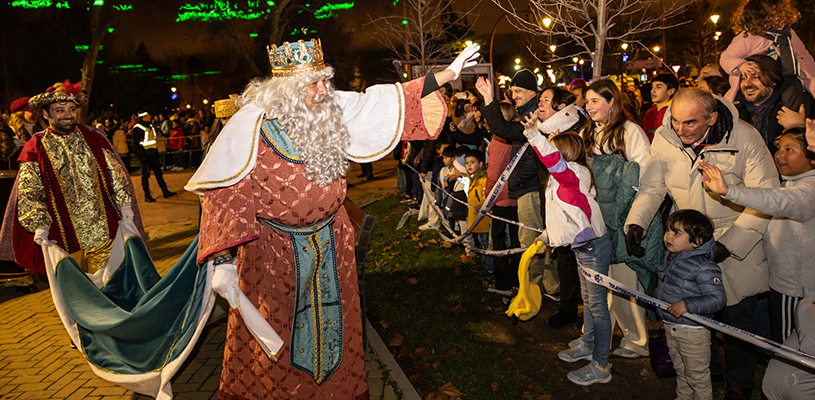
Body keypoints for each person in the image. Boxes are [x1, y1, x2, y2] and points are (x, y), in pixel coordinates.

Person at [185, 39, 480, 399]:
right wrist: (221, 261)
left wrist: (448, 74)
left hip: (331, 247)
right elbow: (225, 192)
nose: (324, 90)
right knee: (279, 339)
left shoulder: (330, 111)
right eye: (313, 83)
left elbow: (389, 100)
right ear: (287, 91)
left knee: (336, 331)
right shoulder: (251, 130)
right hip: (273, 256)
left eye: (325, 80)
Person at [626, 88, 779, 399]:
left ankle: (739, 382)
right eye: (676, 120)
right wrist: (636, 222)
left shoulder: (744, 138)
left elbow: (766, 196)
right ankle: (708, 370)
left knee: (737, 320)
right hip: (689, 242)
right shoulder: (666, 137)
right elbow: (653, 187)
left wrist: (731, 244)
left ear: (711, 118)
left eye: (690, 123)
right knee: (693, 314)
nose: (680, 129)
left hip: (738, 238)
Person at [699, 127, 815, 345]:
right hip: (784, 283)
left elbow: (779, 201)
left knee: (791, 350)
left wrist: (729, 191)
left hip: (796, 289)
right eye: (779, 147)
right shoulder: (792, 182)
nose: (779, 154)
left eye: (790, 149)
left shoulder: (809, 190)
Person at [9, 80, 137, 275]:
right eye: (60, 110)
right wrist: (39, 225)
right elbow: (29, 191)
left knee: (112, 288)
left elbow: (116, 176)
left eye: (71, 109)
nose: (68, 114)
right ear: (46, 114)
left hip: (102, 233)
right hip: (62, 241)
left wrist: (125, 208)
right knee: (78, 297)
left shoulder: (94, 137)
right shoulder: (35, 147)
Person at [521, 112, 612, 386]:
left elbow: (553, 160)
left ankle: (601, 365)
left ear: (565, 153)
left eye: (555, 148)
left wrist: (534, 134)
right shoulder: (565, 179)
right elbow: (567, 216)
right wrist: (546, 235)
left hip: (592, 247)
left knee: (598, 307)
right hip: (583, 246)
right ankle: (588, 343)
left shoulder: (572, 173)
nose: (550, 156)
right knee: (589, 301)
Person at [580, 79, 654, 359]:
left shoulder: (629, 131)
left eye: (595, 100)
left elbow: (643, 172)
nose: (589, 106)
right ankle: (601, 335)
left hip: (622, 217)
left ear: (612, 101)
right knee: (599, 280)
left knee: (624, 280)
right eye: (587, 101)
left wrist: (633, 216)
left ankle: (637, 339)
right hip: (596, 216)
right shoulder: (588, 132)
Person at [476, 71, 561, 301]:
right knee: (540, 240)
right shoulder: (528, 112)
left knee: (530, 244)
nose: (514, 96)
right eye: (512, 91)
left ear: (532, 93)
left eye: (518, 91)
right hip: (530, 188)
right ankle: (548, 288)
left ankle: (532, 293)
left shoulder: (533, 116)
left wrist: (518, 179)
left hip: (531, 190)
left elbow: (505, 132)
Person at [657, 209, 727, 400]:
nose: (668, 236)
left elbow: (718, 299)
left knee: (698, 378)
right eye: (668, 230)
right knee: (681, 371)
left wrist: (687, 304)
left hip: (692, 331)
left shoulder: (704, 267)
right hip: (672, 326)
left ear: (696, 242)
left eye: (677, 233)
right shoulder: (671, 257)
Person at [720, 0, 815, 102]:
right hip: (755, 81)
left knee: (794, 89)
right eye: (779, 10)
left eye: (783, 10)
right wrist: (740, 65)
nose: (783, 13)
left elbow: (803, 55)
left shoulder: (787, 33)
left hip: (785, 75)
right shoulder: (748, 36)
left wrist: (812, 74)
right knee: (741, 101)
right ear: (762, 14)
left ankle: (793, 114)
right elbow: (726, 57)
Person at [733, 55, 813, 154]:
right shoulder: (735, 112)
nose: (747, 84)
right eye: (743, 78)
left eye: (755, 77)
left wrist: (801, 126)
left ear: (773, 79)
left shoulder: (796, 106)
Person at [130, 111, 175, 202]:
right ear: (144, 117)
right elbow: (136, 145)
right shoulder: (138, 128)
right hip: (145, 155)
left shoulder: (150, 126)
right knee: (145, 175)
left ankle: (165, 191)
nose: (151, 116)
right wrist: (142, 157)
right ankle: (147, 195)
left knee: (158, 173)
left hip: (153, 153)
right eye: (149, 115)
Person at [464, 149, 492, 278]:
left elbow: (484, 201)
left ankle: (489, 269)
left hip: (484, 221)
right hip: (477, 221)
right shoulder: (473, 179)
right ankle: (484, 264)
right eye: (467, 163)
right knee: (482, 244)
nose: (469, 165)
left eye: (472, 162)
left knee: (487, 246)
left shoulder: (483, 180)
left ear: (481, 164)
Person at [642, 74, 679, 142]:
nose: (652, 90)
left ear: (670, 91)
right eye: (652, 87)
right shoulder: (649, 114)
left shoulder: (675, 113)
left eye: (658, 87)